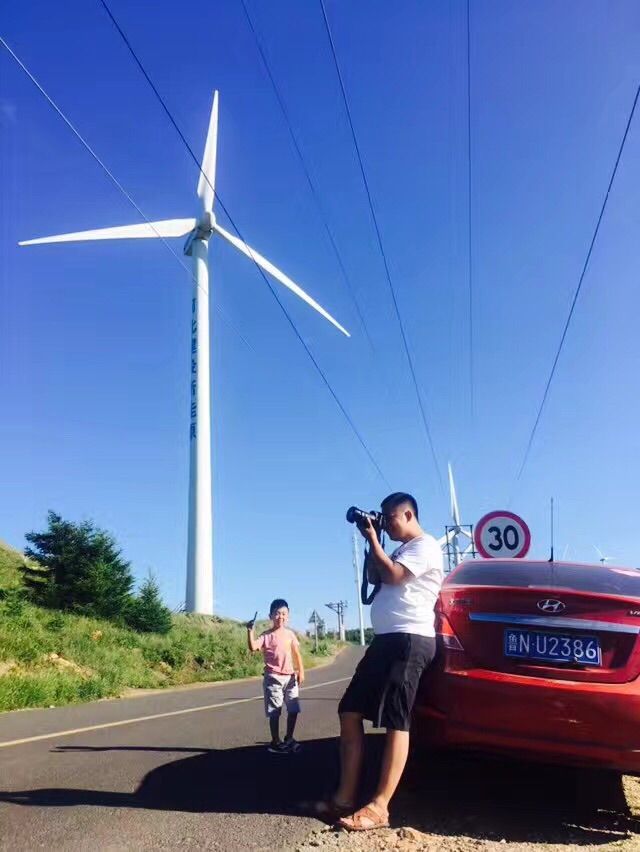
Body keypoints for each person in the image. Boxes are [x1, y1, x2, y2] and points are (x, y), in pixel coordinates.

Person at [320, 492, 443, 830]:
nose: (385, 524)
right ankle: (344, 798)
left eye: (390, 519)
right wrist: (371, 544)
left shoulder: (426, 545)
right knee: (349, 709)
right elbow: (376, 578)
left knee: (396, 720)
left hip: (410, 639)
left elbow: (393, 576)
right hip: (386, 640)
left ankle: (379, 807)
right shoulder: (400, 549)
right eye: (383, 520)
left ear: (408, 515)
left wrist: (375, 540)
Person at [247, 598, 305, 754]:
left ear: (288, 616)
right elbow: (253, 647)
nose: (281, 617)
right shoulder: (266, 635)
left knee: (293, 709)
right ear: (271, 616)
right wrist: (250, 631)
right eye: (277, 613)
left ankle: (289, 738)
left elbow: (297, 654)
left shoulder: (290, 634)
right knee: (275, 711)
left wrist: (301, 671)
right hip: (273, 677)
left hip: (291, 677)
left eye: (284, 614)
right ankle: (275, 741)